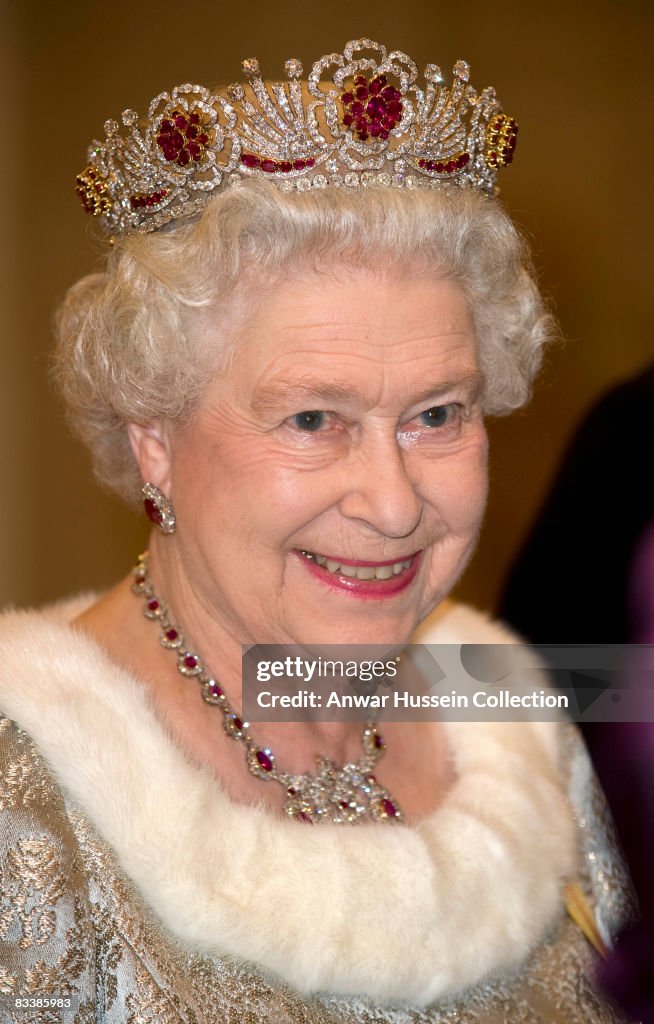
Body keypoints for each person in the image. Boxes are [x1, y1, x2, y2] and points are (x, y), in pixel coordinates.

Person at [0, 39, 635, 1022]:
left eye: (437, 414)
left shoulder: (521, 731)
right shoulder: (25, 814)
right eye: (312, 419)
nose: (392, 504)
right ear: (155, 437)